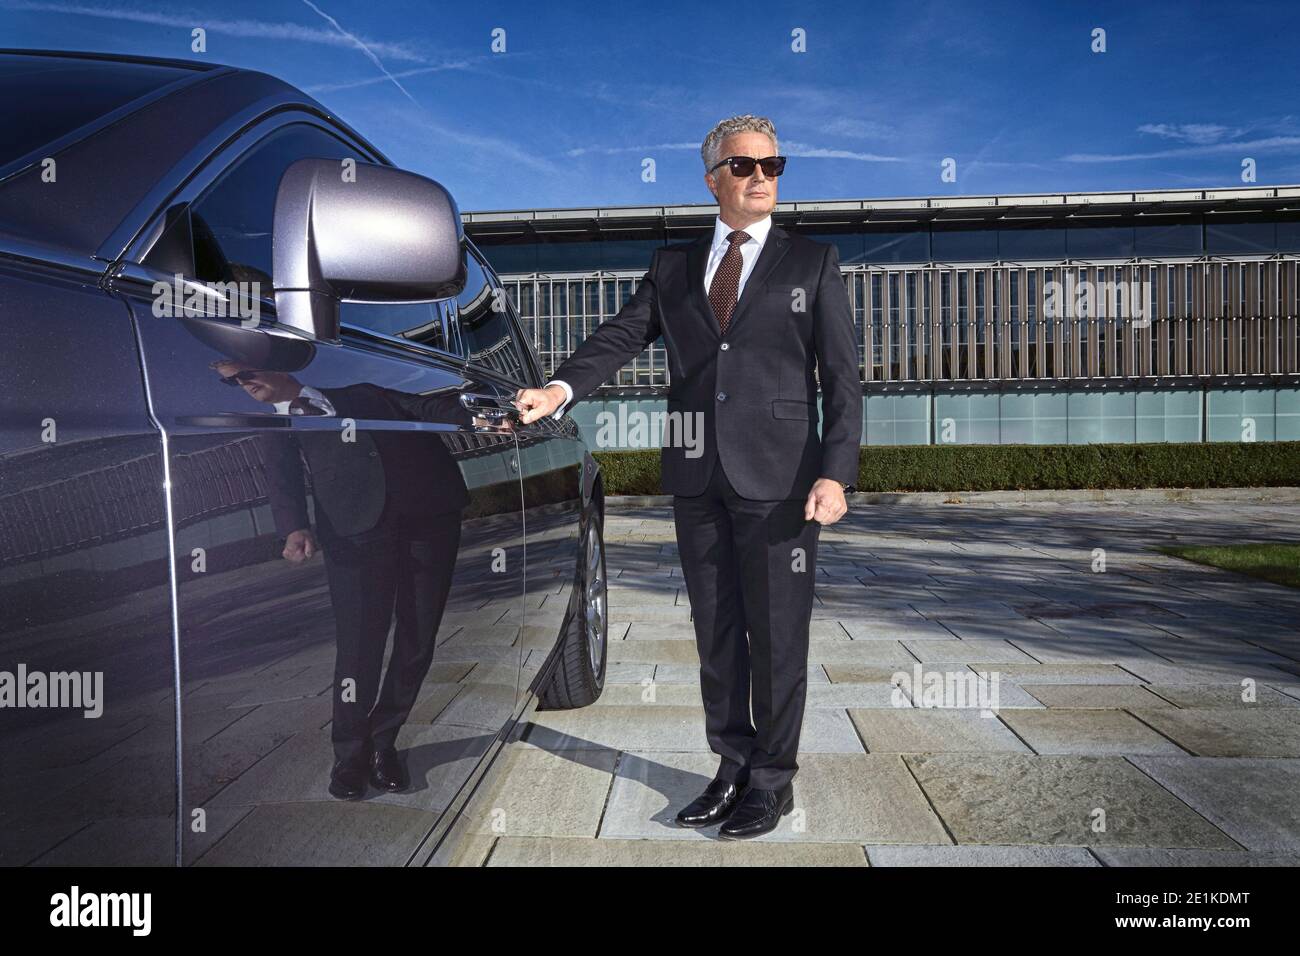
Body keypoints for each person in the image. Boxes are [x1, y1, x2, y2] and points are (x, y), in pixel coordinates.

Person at [513, 115, 862, 839]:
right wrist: (558, 389)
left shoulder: (812, 262)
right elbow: (618, 336)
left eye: (773, 165)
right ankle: (731, 766)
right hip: (697, 471)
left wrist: (837, 473)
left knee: (776, 637)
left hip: (782, 478)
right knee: (715, 632)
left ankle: (773, 781)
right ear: (713, 179)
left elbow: (843, 380)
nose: (761, 177)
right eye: (744, 166)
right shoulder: (673, 265)